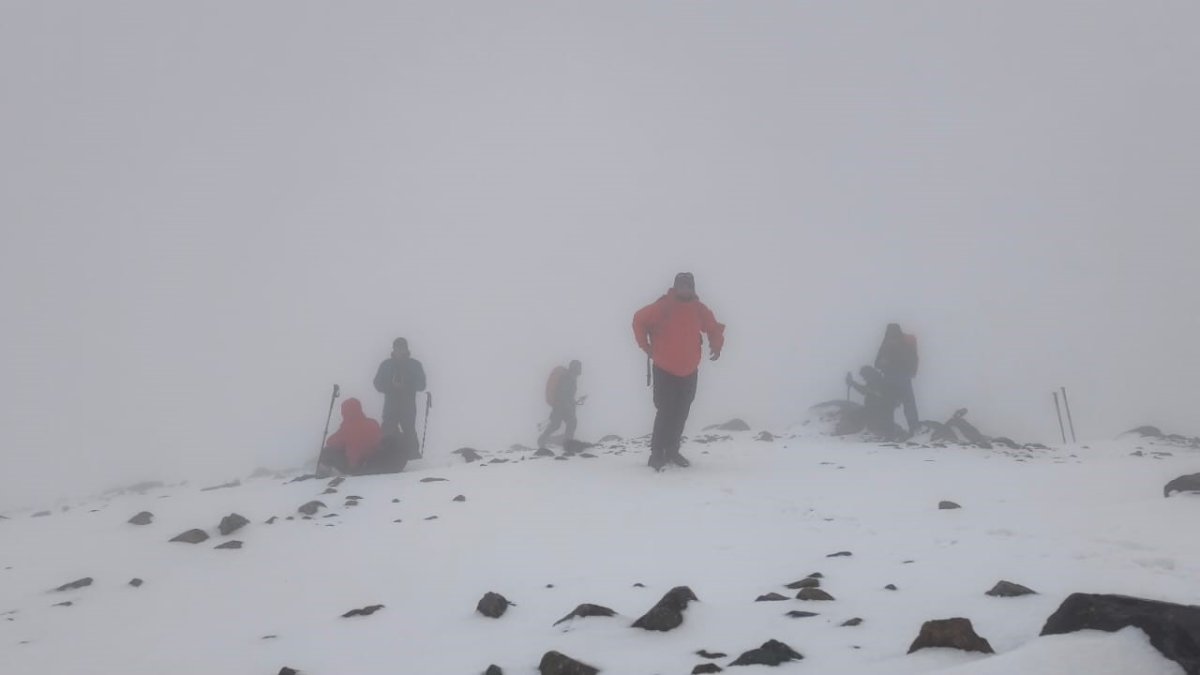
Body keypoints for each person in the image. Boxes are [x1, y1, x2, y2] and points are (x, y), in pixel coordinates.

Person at [633, 272, 726, 470]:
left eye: (688, 286)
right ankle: (657, 452)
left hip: (689, 371)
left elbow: (713, 327)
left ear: (693, 288)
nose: (685, 289)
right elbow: (638, 320)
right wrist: (645, 346)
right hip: (664, 369)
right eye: (681, 285)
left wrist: (716, 345)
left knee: (681, 412)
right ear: (675, 287)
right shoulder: (663, 306)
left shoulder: (699, 309)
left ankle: (672, 450)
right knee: (665, 411)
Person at [373, 337, 427, 461]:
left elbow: (422, 385)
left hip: (407, 405)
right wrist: (391, 386)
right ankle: (386, 458)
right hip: (391, 406)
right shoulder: (386, 365)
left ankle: (414, 460)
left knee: (409, 431)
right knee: (388, 431)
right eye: (397, 348)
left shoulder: (414, 365)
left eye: (402, 348)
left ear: (406, 349)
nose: (399, 350)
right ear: (394, 349)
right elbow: (377, 384)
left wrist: (407, 384)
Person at [874, 323, 920, 435]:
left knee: (888, 405)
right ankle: (914, 429)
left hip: (890, 377)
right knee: (908, 404)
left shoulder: (886, 344)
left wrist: (884, 363)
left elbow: (877, 363)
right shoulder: (905, 343)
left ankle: (888, 432)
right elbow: (912, 360)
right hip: (903, 377)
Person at [318, 398, 383, 476]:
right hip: (372, 463)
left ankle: (324, 473)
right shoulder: (373, 423)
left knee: (327, 451)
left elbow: (330, 441)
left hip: (354, 468)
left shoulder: (347, 427)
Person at [846, 366, 904, 441]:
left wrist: (852, 383)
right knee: (886, 421)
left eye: (864, 376)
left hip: (881, 407)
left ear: (868, 374)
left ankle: (889, 436)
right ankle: (889, 435)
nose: (864, 379)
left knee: (885, 421)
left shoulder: (877, 381)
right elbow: (866, 390)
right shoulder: (876, 380)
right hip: (882, 407)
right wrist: (852, 383)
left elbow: (865, 390)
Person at [538, 360, 585, 450]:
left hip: (560, 406)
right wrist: (569, 405)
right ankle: (567, 443)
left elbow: (567, 395)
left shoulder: (570, 378)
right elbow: (563, 394)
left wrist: (573, 402)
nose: (580, 369)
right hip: (562, 407)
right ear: (574, 368)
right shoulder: (568, 378)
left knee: (556, 424)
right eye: (579, 367)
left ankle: (543, 440)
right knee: (570, 422)